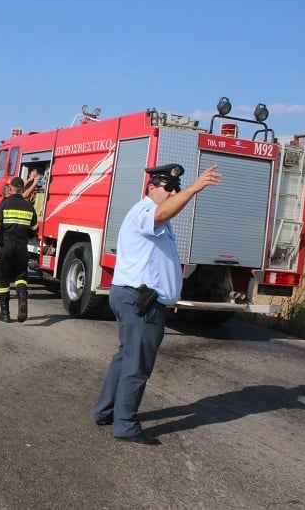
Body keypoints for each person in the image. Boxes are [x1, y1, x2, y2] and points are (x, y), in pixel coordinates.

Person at [91, 163, 221, 445]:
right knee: (137, 365)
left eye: (176, 188)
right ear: (151, 188)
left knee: (126, 357)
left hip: (136, 298)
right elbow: (161, 213)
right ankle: (126, 425)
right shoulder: (146, 211)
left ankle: (105, 411)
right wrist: (194, 188)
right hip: (141, 302)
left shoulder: (155, 217)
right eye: (168, 187)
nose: (173, 192)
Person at [0, 177, 38, 323]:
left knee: (2, 278)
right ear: (23, 189)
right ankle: (23, 301)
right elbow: (34, 231)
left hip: (5, 248)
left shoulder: (4, 204)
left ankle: (5, 313)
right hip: (22, 249)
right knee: (21, 277)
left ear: (11, 188)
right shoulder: (29, 207)